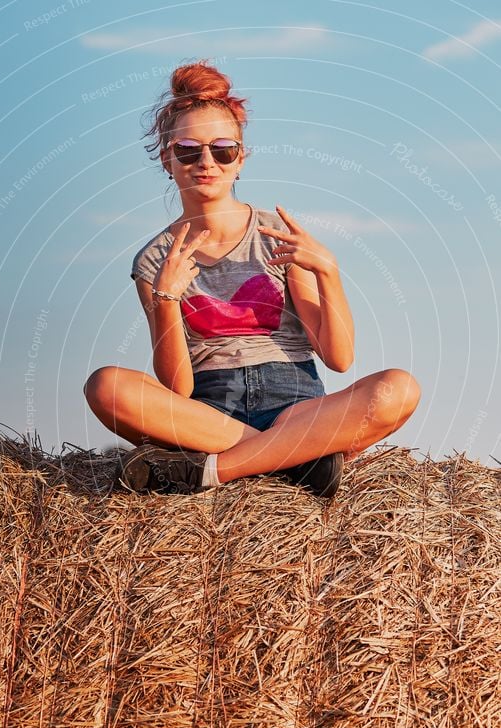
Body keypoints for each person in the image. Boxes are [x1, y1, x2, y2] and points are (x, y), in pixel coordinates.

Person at [84, 59, 421, 497]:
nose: (206, 161)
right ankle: (293, 459)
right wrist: (167, 298)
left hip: (296, 407)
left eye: (222, 149)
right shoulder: (153, 260)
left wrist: (328, 271)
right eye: (188, 150)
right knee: (105, 386)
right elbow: (178, 387)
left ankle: (210, 473)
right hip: (210, 415)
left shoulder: (276, 237)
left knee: (398, 389)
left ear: (240, 159)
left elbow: (338, 359)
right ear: (168, 160)